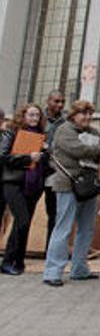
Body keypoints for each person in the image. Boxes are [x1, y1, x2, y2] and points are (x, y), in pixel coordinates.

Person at [43, 100, 100, 286]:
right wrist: (96, 151)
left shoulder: (93, 132)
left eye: (90, 114)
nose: (87, 117)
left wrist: (95, 151)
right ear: (74, 115)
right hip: (68, 185)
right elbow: (77, 150)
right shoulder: (65, 130)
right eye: (83, 113)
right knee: (63, 228)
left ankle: (79, 269)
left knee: (86, 229)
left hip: (88, 185)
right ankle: (52, 272)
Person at [0, 104, 48, 275]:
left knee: (23, 224)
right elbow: (3, 156)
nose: (34, 118)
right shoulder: (11, 132)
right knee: (22, 220)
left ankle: (18, 261)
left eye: (37, 115)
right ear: (23, 116)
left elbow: (45, 163)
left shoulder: (41, 136)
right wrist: (28, 157)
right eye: (31, 115)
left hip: (33, 185)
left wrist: (45, 154)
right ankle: (6, 262)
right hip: (13, 183)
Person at [42, 90, 66, 250]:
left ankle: (50, 249)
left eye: (62, 102)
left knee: (54, 212)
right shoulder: (39, 119)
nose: (60, 105)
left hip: (54, 172)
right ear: (48, 101)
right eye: (56, 101)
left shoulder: (64, 123)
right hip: (36, 170)